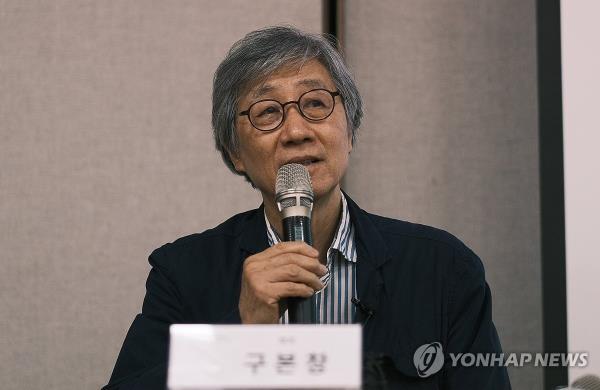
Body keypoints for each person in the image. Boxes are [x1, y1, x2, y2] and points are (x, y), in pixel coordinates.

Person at [104, 26, 511, 389]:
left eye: (316, 104)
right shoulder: (185, 272)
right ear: (235, 152)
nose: (297, 131)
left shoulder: (442, 268)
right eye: (268, 113)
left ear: (350, 129)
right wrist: (242, 335)